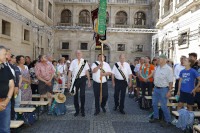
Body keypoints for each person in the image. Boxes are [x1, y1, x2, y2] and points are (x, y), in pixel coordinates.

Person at [150, 54, 173, 127]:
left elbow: (171, 81)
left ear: (163, 60)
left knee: (163, 106)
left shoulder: (168, 69)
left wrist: (169, 91)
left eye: (159, 59)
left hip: (164, 89)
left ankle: (168, 121)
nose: (157, 60)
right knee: (154, 104)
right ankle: (156, 117)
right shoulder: (157, 67)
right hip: (156, 88)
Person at [67, 50, 91, 117]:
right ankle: (77, 110)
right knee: (75, 95)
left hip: (83, 79)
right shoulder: (73, 62)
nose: (78, 54)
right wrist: (68, 82)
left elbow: (87, 72)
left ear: (81, 54)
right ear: (75, 54)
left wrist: (89, 81)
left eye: (79, 53)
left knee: (82, 95)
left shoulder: (85, 62)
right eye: (77, 53)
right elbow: (70, 72)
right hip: (75, 80)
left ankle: (82, 110)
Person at [0, 45, 15, 133]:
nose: (7, 56)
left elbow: (11, 85)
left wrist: (6, 101)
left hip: (6, 103)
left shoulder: (6, 67)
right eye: (5, 54)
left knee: (5, 130)